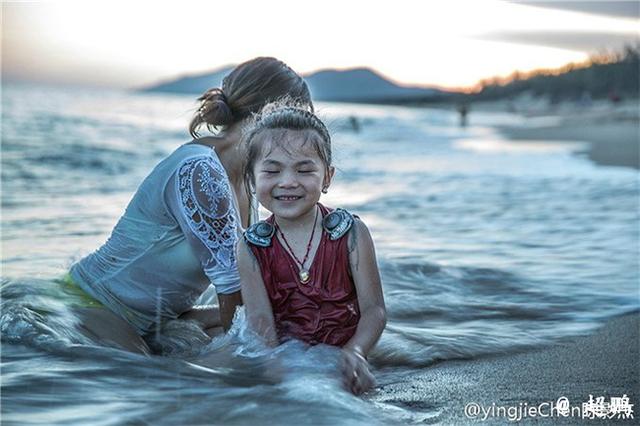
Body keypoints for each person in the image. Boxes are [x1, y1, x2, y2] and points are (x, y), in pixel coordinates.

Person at [68, 57, 313, 354]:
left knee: (291, 328)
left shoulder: (248, 180)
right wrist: (268, 365)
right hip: (95, 306)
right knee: (151, 374)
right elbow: (231, 289)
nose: (301, 139)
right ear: (268, 114)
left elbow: (249, 283)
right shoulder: (200, 170)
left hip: (161, 319)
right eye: (295, 124)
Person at [237, 102, 387, 395]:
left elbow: (375, 310)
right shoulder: (251, 248)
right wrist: (276, 372)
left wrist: (356, 351)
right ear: (252, 179)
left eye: (304, 170)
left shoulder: (351, 233)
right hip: (289, 360)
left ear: (327, 177)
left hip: (345, 360)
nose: (288, 182)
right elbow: (260, 323)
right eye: (272, 170)